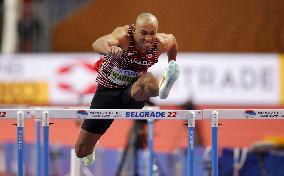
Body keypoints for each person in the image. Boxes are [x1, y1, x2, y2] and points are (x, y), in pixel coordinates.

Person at [75, 12, 180, 165]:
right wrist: (109, 49)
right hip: (108, 92)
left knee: (149, 81)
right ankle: (91, 148)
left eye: (152, 33)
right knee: (81, 150)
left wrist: (172, 64)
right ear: (134, 29)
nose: (148, 38)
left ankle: (164, 83)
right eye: (143, 33)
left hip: (132, 92)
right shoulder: (123, 36)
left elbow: (173, 43)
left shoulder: (161, 42)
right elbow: (98, 43)